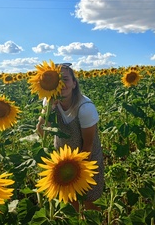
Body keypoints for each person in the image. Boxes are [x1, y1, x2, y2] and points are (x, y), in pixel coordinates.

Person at [36, 63, 104, 211]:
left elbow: (88, 145)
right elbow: (40, 131)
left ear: (74, 83)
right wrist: (49, 109)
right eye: (57, 80)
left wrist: (78, 174)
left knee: (88, 201)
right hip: (61, 160)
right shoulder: (49, 101)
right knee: (68, 202)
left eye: (65, 79)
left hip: (86, 160)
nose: (61, 84)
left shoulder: (85, 108)